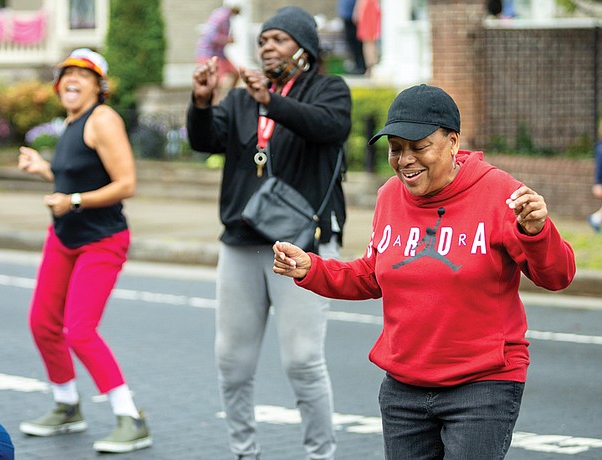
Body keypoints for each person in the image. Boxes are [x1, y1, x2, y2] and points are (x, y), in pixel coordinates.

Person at [272, 84, 576, 459]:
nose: (405, 160)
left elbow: (558, 276)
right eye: (396, 148)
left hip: (482, 384)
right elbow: (372, 273)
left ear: (452, 141)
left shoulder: (500, 193)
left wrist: (536, 232)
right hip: (404, 389)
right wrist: (312, 268)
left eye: (419, 147)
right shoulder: (389, 196)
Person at [187, 6, 351, 460]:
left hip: (302, 246)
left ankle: (320, 454)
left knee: (302, 361)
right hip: (241, 243)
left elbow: (329, 127)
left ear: (305, 48)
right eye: (262, 41)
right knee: (232, 363)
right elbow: (205, 140)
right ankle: (245, 452)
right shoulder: (240, 99)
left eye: (278, 39)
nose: (267, 48)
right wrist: (202, 103)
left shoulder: (329, 90)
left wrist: (271, 102)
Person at [16, 48, 152, 454]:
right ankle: (66, 406)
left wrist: (72, 200)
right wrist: (45, 170)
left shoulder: (103, 119)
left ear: (99, 86)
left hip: (101, 239)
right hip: (64, 237)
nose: (71, 80)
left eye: (82, 74)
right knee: (42, 323)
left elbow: (126, 183)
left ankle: (131, 418)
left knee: (79, 330)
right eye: (65, 75)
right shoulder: (72, 123)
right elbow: (75, 174)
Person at [195, 3, 242, 102]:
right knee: (214, 82)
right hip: (209, 53)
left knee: (235, 73)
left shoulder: (227, 18)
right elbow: (209, 35)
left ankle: (228, 99)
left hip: (220, 54)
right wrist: (227, 40)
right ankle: (212, 107)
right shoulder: (220, 15)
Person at [338, 0, 366, 74]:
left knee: (357, 42)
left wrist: (357, 12)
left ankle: (361, 66)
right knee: (350, 40)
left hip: (354, 17)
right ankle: (356, 64)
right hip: (346, 15)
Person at [354, 0, 381, 76]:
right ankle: (372, 67)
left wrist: (358, 11)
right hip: (371, 8)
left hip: (367, 9)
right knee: (370, 41)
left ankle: (371, 67)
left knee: (368, 41)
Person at [587, 121, 602, 232]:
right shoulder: (600, 148)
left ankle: (595, 219)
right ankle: (595, 219)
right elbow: (599, 167)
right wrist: (598, 183)